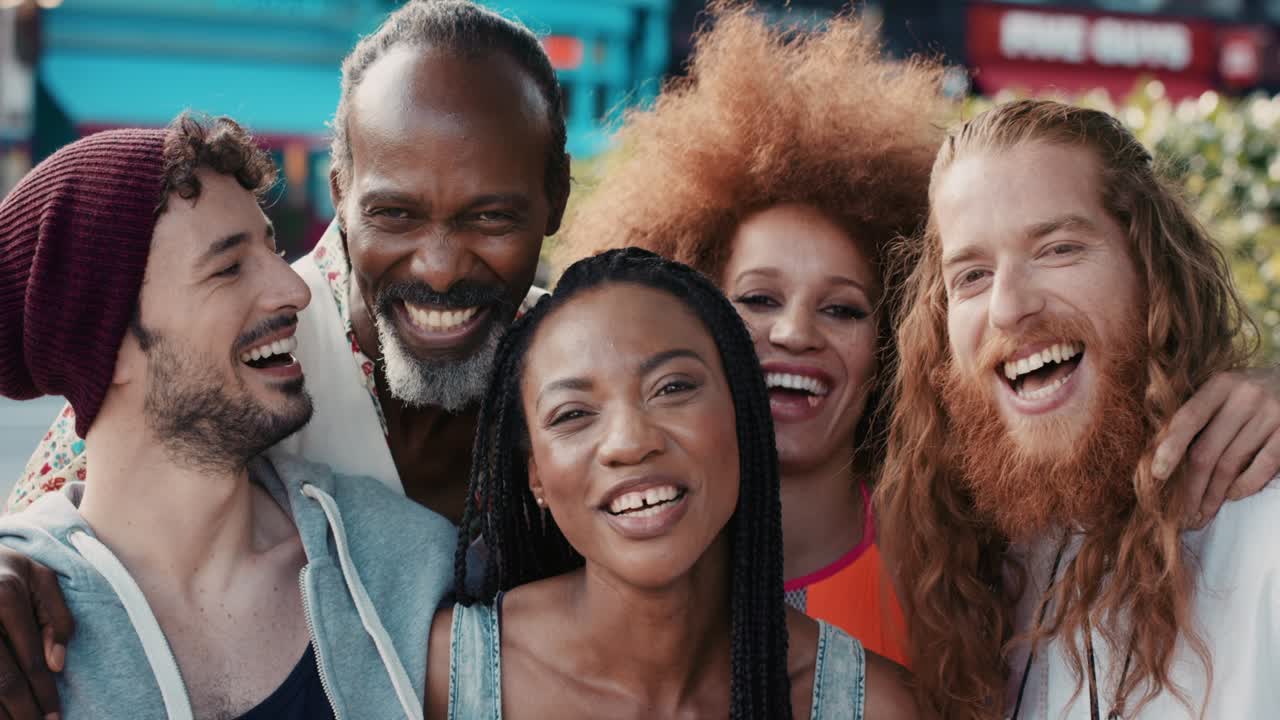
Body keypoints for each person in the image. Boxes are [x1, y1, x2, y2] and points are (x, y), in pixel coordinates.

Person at [560, 2, 1280, 665]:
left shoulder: (971, 551)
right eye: (755, 298)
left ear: (899, 345)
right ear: (688, 313)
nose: (794, 332)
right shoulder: (597, 533)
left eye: (843, 308)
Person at [0, 1, 568, 715]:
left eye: (491, 216)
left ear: (555, 199)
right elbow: (80, 506)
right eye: (396, 213)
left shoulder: (592, 367)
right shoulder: (233, 357)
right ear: (341, 197)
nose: (444, 266)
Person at [0, 114, 455, 718]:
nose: (295, 291)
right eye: (228, 267)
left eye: (272, 247)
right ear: (102, 349)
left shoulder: (406, 568)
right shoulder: (25, 630)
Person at [877, 99, 1280, 719]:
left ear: (1151, 267)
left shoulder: (1263, 532)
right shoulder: (982, 570)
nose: (1009, 307)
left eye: (1058, 249)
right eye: (972, 275)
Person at [426, 247, 918, 719]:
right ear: (537, 476)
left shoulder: (869, 704)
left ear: (741, 413)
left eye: (673, 388)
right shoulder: (444, 678)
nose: (630, 442)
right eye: (573, 414)